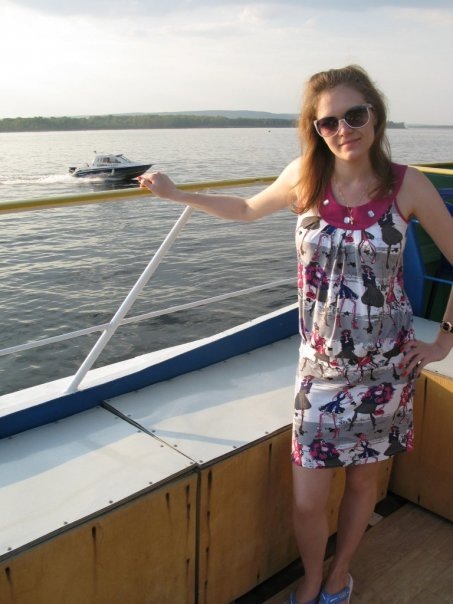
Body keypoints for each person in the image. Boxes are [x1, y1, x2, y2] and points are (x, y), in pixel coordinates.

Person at [138, 65, 453, 604]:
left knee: (362, 483)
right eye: (328, 122)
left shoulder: (407, 185)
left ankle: (338, 577)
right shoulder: (303, 177)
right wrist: (176, 194)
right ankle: (310, 578)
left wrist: (444, 339)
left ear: (376, 116)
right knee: (308, 499)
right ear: (315, 129)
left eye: (355, 115)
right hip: (319, 369)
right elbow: (245, 209)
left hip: (387, 367)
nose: (343, 129)